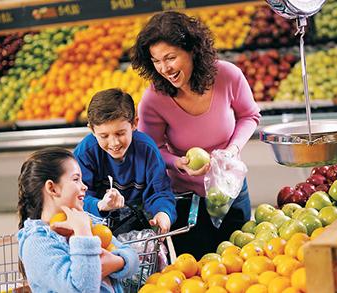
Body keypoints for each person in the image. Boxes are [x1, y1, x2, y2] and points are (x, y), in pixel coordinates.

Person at [130, 11, 261, 259]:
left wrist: (232, 150)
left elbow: (249, 116)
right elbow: (151, 149)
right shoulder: (153, 99)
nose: (164, 68)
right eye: (156, 61)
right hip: (186, 199)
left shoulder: (227, 75)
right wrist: (178, 163)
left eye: (170, 57)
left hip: (230, 188)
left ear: (192, 50)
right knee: (197, 268)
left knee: (244, 263)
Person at [17, 147, 138, 292]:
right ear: (52, 188)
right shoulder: (37, 243)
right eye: (76, 179)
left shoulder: (87, 223)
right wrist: (82, 231)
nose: (85, 186)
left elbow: (133, 257)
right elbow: (81, 289)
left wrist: (118, 262)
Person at [73, 88, 177, 235]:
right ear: (92, 130)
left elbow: (159, 192)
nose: (114, 143)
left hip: (139, 231)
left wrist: (163, 213)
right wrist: (100, 205)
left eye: (120, 133)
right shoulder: (85, 153)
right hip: (95, 232)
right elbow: (75, 196)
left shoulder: (147, 150)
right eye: (104, 136)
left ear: (134, 123)